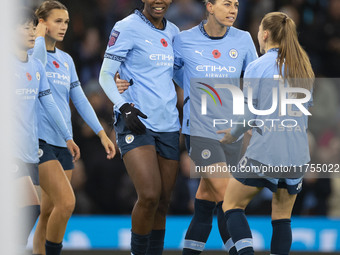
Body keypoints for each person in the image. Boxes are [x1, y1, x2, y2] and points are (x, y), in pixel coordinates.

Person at [218, 12, 314, 255]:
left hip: (267, 151)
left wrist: (233, 135)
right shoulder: (303, 66)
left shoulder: (257, 66)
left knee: (231, 205)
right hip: (297, 153)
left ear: (265, 34)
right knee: (282, 216)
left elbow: (249, 113)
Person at [172, 0, 257, 254]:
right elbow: (169, 72)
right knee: (231, 199)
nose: (233, 10)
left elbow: (256, 81)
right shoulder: (183, 40)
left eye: (237, 5)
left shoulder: (243, 40)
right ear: (209, 7)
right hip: (198, 132)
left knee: (207, 201)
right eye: (227, 4)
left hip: (231, 134)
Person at [32, 1, 116, 255]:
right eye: (57, 21)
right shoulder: (32, 55)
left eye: (66, 22)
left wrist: (101, 133)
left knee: (48, 211)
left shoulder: (66, 60)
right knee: (67, 202)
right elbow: (37, 64)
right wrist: (37, 36)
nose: (64, 27)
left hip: (63, 142)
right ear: (42, 24)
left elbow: (79, 98)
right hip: (39, 142)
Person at [98, 1, 181, 254]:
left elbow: (177, 75)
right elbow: (105, 75)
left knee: (164, 202)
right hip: (135, 119)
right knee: (149, 195)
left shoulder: (174, 32)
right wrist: (124, 106)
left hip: (168, 123)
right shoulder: (126, 27)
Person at [12, 7, 79, 253]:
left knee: (39, 210)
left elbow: (49, 102)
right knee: (31, 209)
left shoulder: (36, 67)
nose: (32, 32)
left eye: (33, 27)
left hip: (30, 150)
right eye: (25, 28)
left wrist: (68, 136)